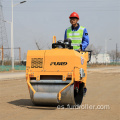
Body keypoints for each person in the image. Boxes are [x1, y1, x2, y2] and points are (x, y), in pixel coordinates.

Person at [64, 12, 89, 96]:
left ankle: (83, 87)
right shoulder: (67, 30)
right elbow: (65, 42)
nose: (72, 20)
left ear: (77, 20)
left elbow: (86, 41)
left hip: (80, 54)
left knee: (81, 72)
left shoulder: (83, 29)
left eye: (74, 19)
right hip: (70, 54)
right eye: (71, 19)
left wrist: (81, 48)